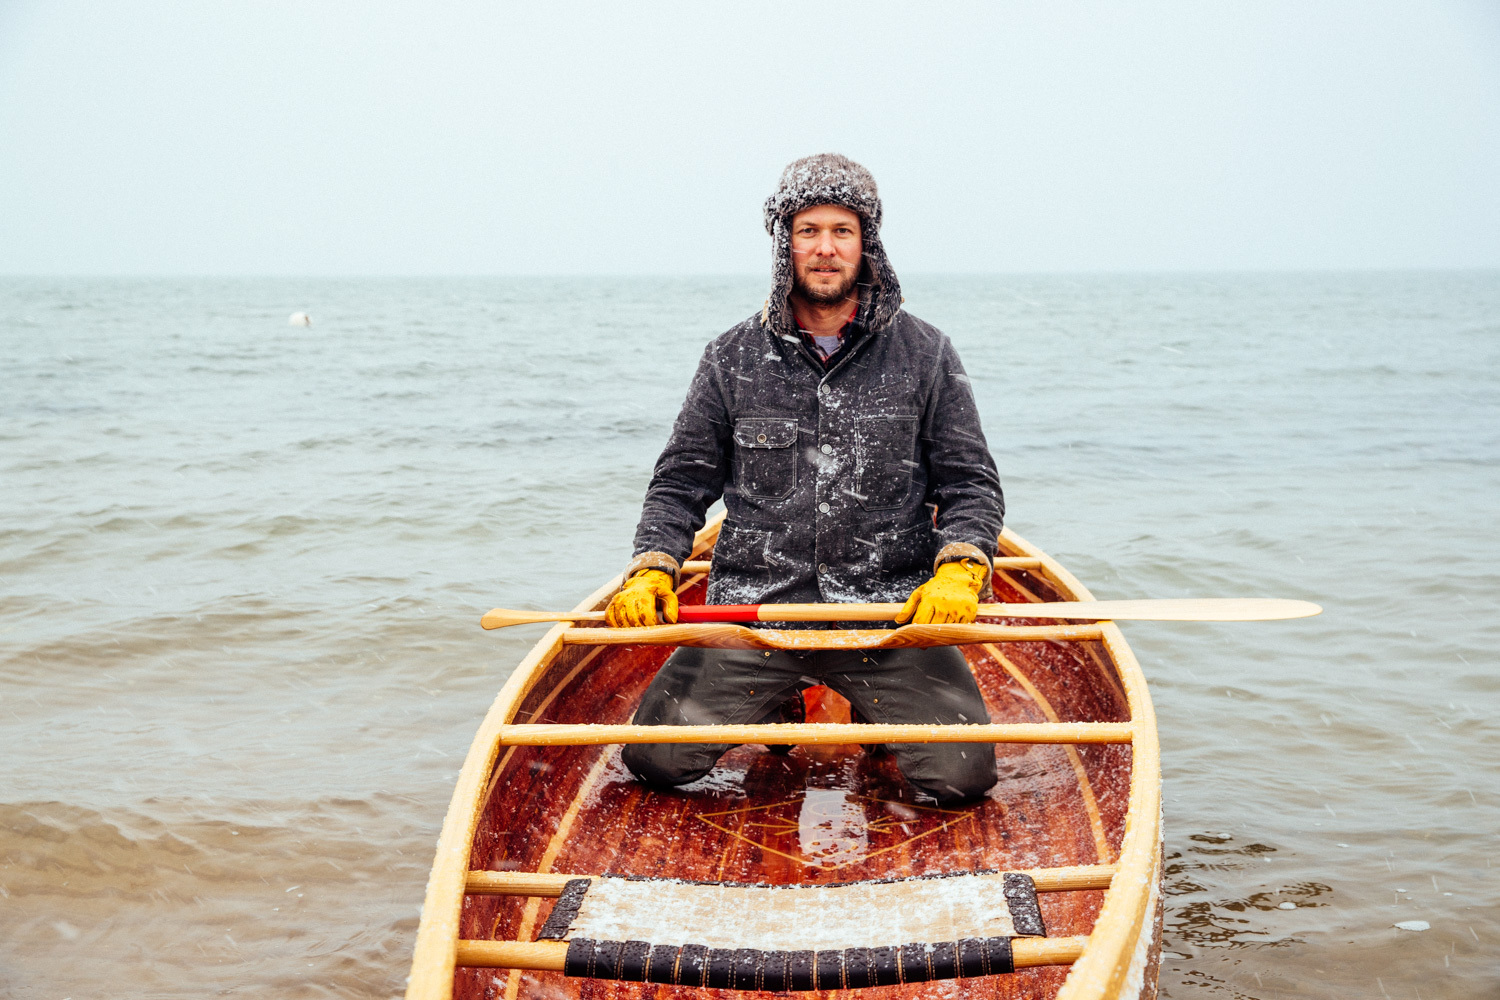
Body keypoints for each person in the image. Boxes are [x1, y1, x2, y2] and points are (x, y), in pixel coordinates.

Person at [605, 154, 1004, 804]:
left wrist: (960, 568)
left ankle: (868, 707)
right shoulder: (730, 357)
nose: (824, 248)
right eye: (808, 230)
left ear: (866, 243)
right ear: (783, 242)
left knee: (963, 779)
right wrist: (651, 567)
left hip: (886, 614)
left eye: (841, 231)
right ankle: (777, 700)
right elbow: (680, 484)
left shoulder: (926, 354)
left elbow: (970, 483)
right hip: (757, 613)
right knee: (655, 760)